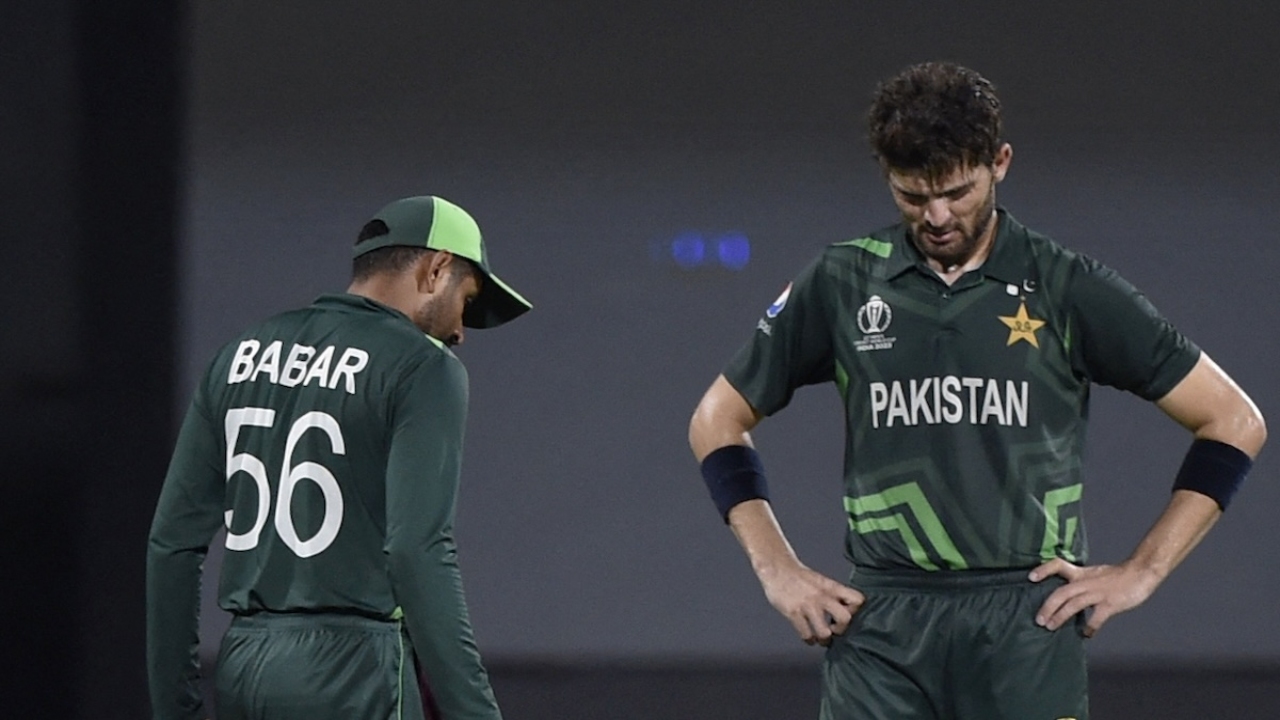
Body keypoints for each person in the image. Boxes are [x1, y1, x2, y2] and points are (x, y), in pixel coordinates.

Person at [688, 62, 1266, 719]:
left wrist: (1144, 571)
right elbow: (715, 419)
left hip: (1026, 622)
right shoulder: (845, 280)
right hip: (882, 624)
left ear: (1000, 163)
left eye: (957, 192)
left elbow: (1233, 420)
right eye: (912, 196)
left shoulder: (1065, 285)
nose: (936, 216)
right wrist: (777, 570)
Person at [147, 195, 531, 720]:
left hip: (244, 667)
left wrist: (176, 709)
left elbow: (172, 543)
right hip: (356, 672)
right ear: (437, 268)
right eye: (465, 301)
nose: (461, 331)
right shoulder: (424, 367)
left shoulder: (238, 354)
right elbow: (417, 549)